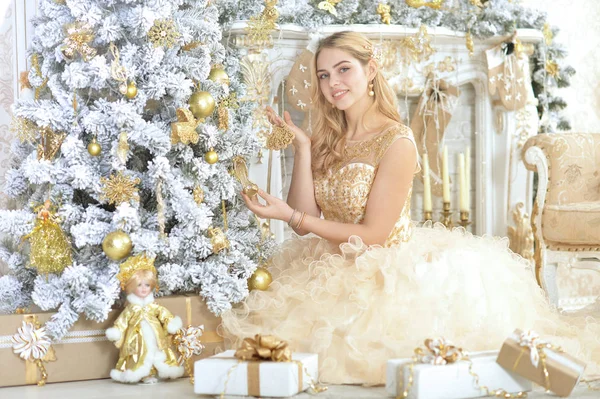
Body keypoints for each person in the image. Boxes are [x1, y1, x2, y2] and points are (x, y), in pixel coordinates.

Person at [221, 31, 600, 384]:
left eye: (343, 69)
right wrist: (302, 148)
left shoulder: (396, 141)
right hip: (329, 263)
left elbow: (374, 236)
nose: (332, 82)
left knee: (438, 357)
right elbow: (303, 225)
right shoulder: (327, 138)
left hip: (387, 263)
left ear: (370, 69)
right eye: (323, 75)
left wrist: (290, 215)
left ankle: (533, 369)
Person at [106, 255, 185, 384]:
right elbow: (122, 321)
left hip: (155, 335)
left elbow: (163, 313)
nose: (144, 288)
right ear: (132, 286)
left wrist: (170, 322)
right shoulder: (131, 309)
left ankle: (154, 371)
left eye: (147, 285)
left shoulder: (153, 306)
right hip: (136, 338)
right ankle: (142, 373)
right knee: (140, 353)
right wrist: (116, 331)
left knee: (156, 351)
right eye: (139, 285)